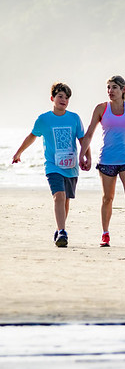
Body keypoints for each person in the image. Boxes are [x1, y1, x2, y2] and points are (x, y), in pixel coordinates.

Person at [12, 82, 89, 247]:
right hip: (53, 166)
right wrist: (19, 152)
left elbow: (83, 139)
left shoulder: (74, 118)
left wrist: (87, 157)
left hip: (71, 166)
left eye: (67, 97)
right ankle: (62, 232)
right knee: (59, 196)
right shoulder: (44, 119)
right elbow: (32, 136)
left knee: (66, 200)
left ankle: (59, 228)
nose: (64, 100)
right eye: (60, 96)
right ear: (52, 98)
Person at [79, 75, 125, 248]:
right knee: (107, 198)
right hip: (107, 160)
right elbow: (89, 134)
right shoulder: (101, 108)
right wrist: (82, 155)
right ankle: (105, 234)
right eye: (108, 88)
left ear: (123, 90)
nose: (110, 91)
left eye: (114, 88)